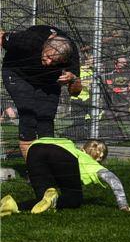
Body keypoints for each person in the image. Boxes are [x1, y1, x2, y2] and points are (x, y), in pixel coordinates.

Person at [0, 25, 83, 158]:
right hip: (17, 74)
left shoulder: (71, 54)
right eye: (48, 56)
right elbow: (2, 37)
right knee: (28, 114)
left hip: (47, 80)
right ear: (45, 46)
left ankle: (46, 163)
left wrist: (73, 79)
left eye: (55, 61)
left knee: (46, 118)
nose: (49, 62)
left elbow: (75, 92)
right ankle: (32, 166)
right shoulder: (29, 40)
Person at [0, 138, 130, 216]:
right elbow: (113, 180)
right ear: (100, 159)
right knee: (75, 199)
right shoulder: (90, 162)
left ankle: (13, 205)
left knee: (43, 200)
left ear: (83, 148)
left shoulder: (71, 145)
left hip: (34, 149)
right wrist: (123, 205)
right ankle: (54, 201)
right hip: (62, 154)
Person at [103, 54, 130, 134]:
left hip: (127, 97)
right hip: (114, 97)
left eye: (125, 62)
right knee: (112, 115)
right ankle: (116, 131)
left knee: (127, 114)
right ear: (116, 63)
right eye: (121, 62)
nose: (124, 64)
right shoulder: (110, 72)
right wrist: (119, 90)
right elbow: (109, 85)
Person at [65, 50, 95, 141]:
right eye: (91, 59)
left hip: (87, 98)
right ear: (86, 60)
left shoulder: (92, 71)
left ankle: (85, 135)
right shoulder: (80, 70)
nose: (93, 61)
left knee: (89, 119)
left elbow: (92, 84)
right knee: (78, 119)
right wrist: (84, 83)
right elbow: (75, 82)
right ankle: (74, 136)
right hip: (77, 98)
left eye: (93, 60)